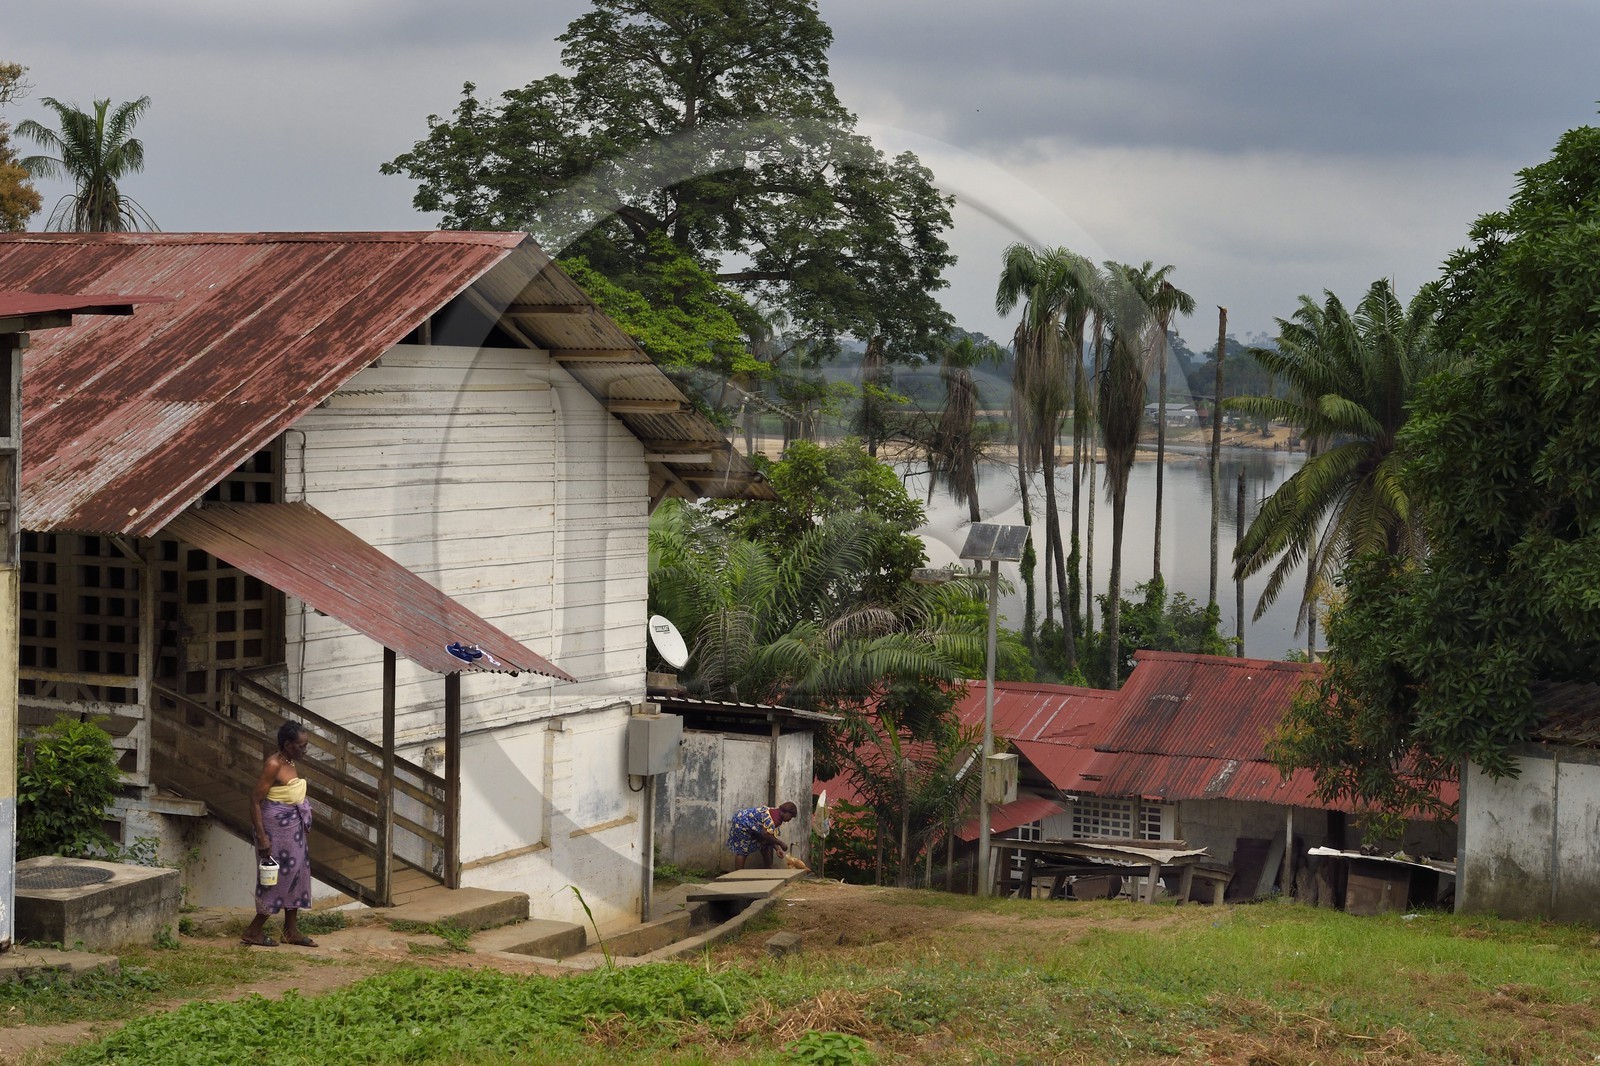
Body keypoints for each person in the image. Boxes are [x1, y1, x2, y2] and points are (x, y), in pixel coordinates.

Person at [240, 723, 317, 947]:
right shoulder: (273, 764)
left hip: (293, 829)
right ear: (287, 745)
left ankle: (290, 930)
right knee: (278, 878)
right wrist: (263, 839)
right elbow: (255, 800)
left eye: (306, 746)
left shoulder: (290, 761)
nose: (305, 751)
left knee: (297, 874)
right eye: (301, 746)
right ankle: (253, 931)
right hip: (275, 830)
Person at [727, 801, 799, 870]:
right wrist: (780, 843)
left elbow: (769, 835)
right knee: (742, 849)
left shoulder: (776, 814)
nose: (790, 819)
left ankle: (769, 868)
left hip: (746, 821)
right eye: (790, 816)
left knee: (765, 843)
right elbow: (765, 834)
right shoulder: (774, 818)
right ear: (785, 812)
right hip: (741, 823)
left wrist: (777, 849)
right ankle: (738, 875)